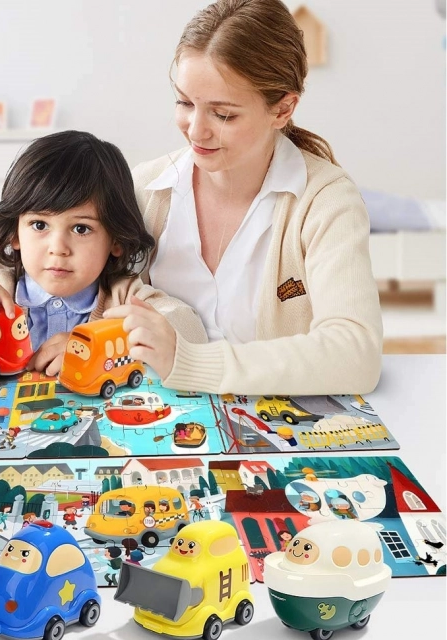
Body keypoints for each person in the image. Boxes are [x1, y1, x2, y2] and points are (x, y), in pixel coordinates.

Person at [103, 0, 383, 396]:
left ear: (283, 108)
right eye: (185, 103)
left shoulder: (325, 201)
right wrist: (3, 281)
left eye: (223, 115)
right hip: (153, 414)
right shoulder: (143, 188)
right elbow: (58, 266)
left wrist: (189, 361)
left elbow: (355, 354)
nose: (195, 131)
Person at [0, 131, 207, 375]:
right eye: (39, 225)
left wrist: (98, 343)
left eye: (81, 229)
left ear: (115, 241)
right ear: (15, 234)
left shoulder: (124, 299)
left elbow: (193, 335)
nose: (58, 248)